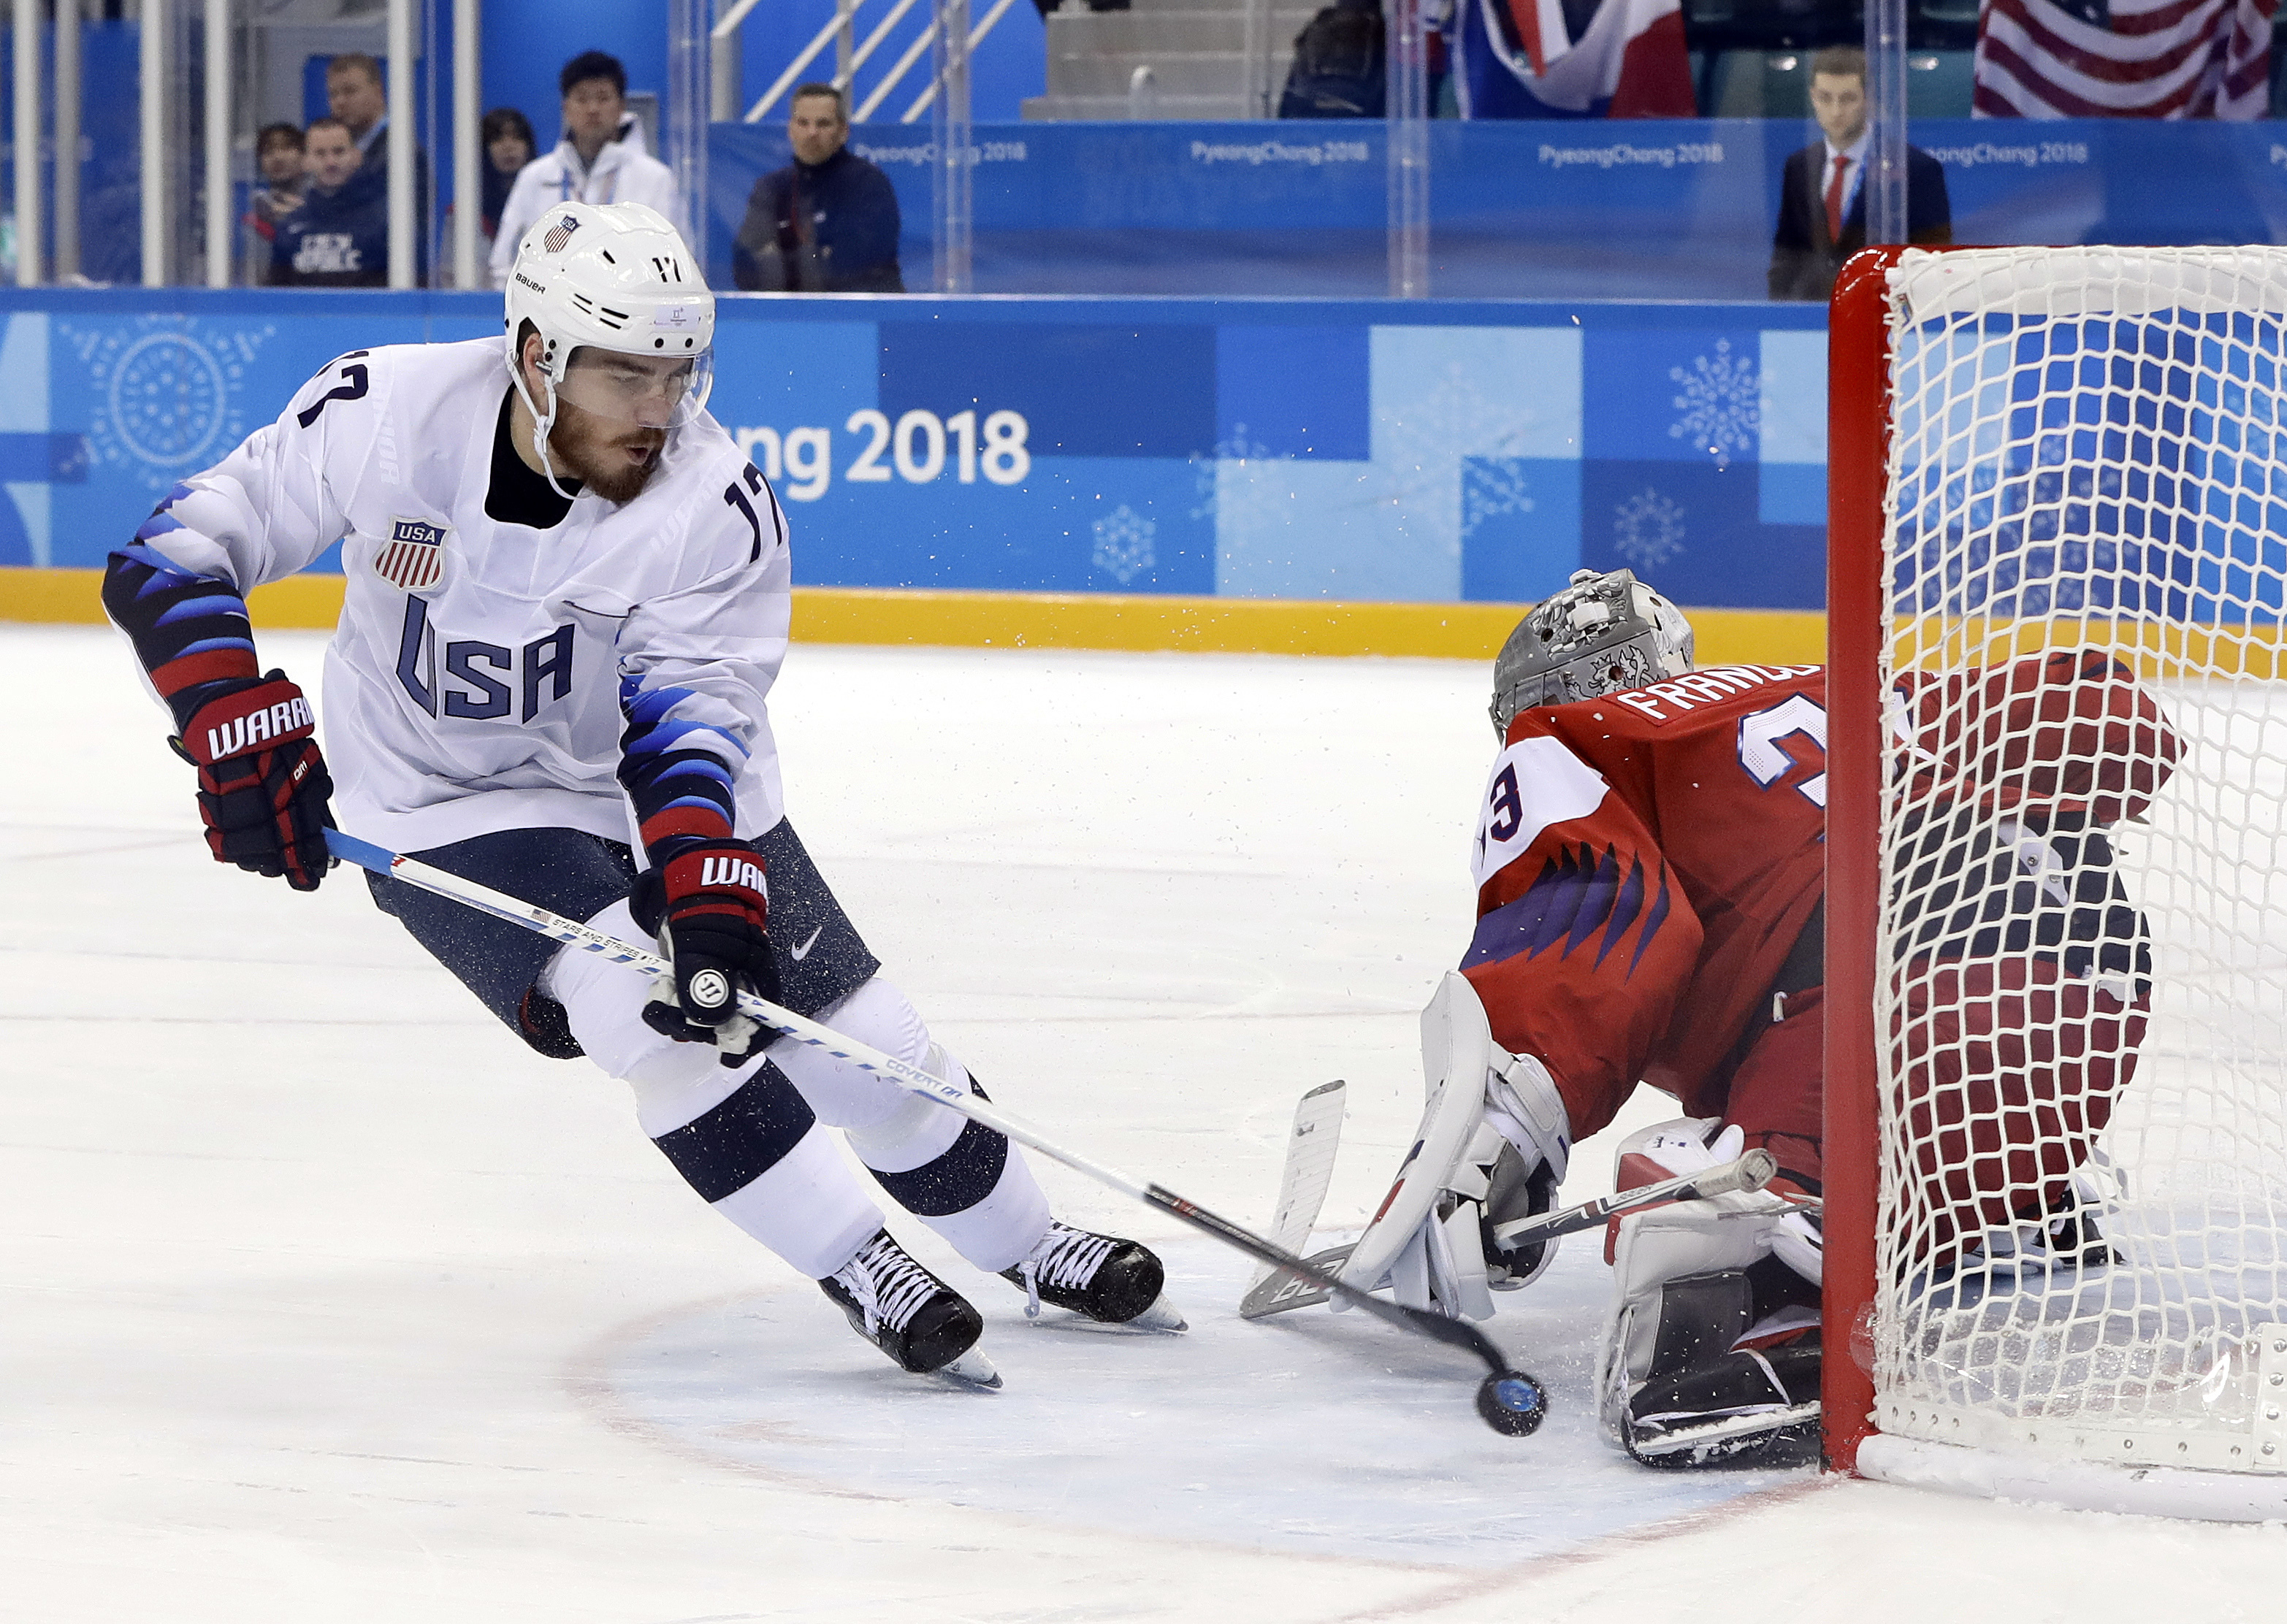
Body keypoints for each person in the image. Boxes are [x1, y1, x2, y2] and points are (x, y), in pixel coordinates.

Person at [99, 200, 1180, 1387]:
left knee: (864, 1042)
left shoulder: (712, 505)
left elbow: (688, 718)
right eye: (624, 375)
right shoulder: (388, 413)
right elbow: (180, 549)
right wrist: (225, 715)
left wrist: (702, 881)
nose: (659, 409)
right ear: (534, 356)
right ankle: (859, 1257)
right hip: (441, 801)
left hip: (638, 786)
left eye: (676, 373)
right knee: (646, 1020)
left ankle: (1030, 1245)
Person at [1335, 567, 2176, 1467]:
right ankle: (2010, 1201)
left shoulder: (1577, 737)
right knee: (1805, 1038)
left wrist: (1496, 1138)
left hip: (1893, 1002)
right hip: (2086, 994)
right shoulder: (1832, 687)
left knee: (1682, 1184)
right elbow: (2109, 718)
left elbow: (1597, 926)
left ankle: (1771, 1324)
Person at [1769, 46, 1951, 302]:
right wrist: (1781, 314)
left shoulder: (1915, 169)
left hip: (1884, 317)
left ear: (1868, 99)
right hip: (1810, 318)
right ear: (1812, 97)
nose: (1835, 111)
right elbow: (1786, 255)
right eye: (1825, 98)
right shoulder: (1799, 166)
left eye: (1848, 99)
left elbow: (1932, 262)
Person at [490, 52, 679, 291]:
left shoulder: (655, 179)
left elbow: (675, 262)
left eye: (603, 98)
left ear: (621, 106)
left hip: (627, 314)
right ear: (565, 107)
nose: (592, 109)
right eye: (581, 99)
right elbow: (505, 262)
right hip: (549, 318)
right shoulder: (534, 177)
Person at [733, 85, 903, 294]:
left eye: (823, 124)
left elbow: (855, 265)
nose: (812, 133)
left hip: (861, 317)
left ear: (843, 131)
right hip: (787, 317)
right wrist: (817, 255)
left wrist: (779, 259)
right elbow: (744, 266)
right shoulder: (772, 187)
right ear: (791, 130)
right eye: (803, 123)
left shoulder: (868, 184)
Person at [327, 52, 432, 283]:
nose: (340, 102)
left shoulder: (401, 153)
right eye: (334, 94)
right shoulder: (344, 152)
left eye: (350, 91)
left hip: (389, 282)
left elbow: (393, 227)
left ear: (377, 93)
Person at [270, 118, 388, 288]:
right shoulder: (289, 226)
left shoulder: (382, 222)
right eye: (320, 154)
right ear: (305, 161)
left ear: (356, 157)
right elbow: (276, 294)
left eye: (339, 152)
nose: (331, 162)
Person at [246, 123, 307, 285]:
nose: (278, 157)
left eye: (287, 148)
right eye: (268, 151)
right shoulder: (252, 216)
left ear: (305, 156)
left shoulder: (319, 209)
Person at [480, 107, 537, 250]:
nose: (508, 146)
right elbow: (449, 270)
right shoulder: (465, 211)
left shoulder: (546, 199)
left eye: (517, 138)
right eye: (497, 139)